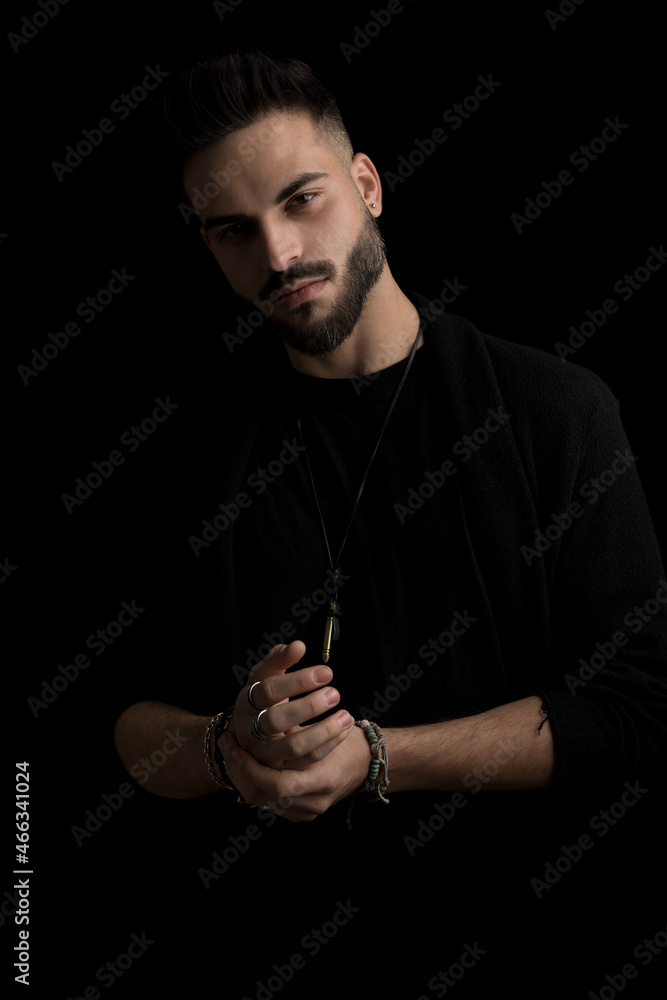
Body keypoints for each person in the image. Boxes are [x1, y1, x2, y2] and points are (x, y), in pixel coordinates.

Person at [113, 50, 667, 996]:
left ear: (366, 184)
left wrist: (375, 758)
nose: (279, 254)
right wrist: (226, 748)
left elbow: (635, 710)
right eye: (233, 231)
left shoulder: (552, 411)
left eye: (302, 200)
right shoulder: (191, 455)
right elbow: (126, 725)